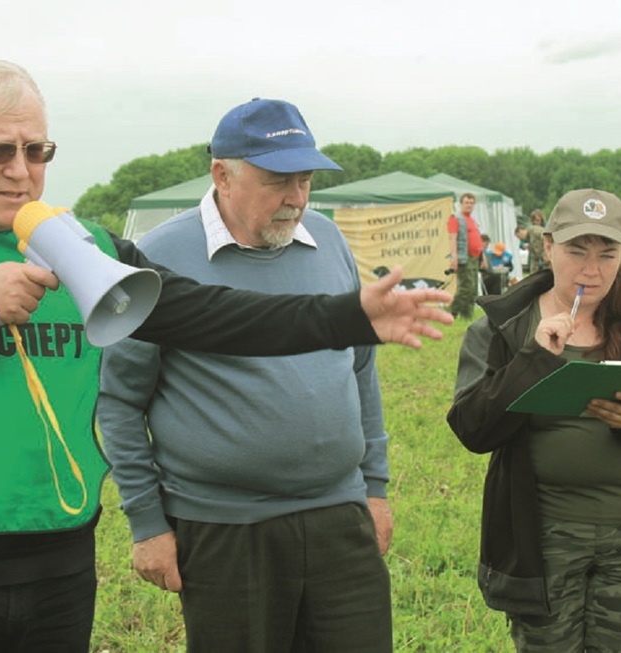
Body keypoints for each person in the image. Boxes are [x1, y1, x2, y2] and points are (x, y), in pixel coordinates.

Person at [0, 58, 454, 652]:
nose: (21, 172)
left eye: (38, 151)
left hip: (58, 556)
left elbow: (214, 316)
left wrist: (348, 315)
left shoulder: (82, 246)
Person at [97, 98, 397, 653]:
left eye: (306, 180)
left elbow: (360, 371)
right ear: (222, 175)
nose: (297, 198)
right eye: (279, 180)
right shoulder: (160, 257)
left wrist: (374, 489)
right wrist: (147, 523)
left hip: (339, 514)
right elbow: (118, 401)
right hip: (224, 529)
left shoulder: (328, 241)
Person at [447, 188, 621, 652]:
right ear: (547, 248)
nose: (592, 269)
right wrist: (534, 358)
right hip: (541, 541)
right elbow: (472, 428)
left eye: (608, 254)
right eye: (576, 252)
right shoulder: (503, 326)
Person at [447, 192, 484, 319]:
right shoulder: (456, 219)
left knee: (473, 290)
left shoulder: (472, 220)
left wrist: (482, 257)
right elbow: (453, 238)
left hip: (474, 258)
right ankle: (450, 312)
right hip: (465, 257)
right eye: (467, 203)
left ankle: (466, 316)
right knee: (465, 289)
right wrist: (454, 257)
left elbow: (477, 239)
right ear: (461, 204)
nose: (469, 205)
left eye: (471, 203)